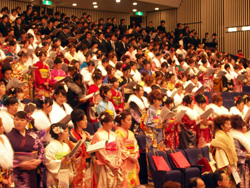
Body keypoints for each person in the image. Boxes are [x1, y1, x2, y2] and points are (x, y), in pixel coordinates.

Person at [6, 111, 44, 188]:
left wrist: (38, 160)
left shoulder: (33, 135)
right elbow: (4, 155)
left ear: (27, 122)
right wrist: (19, 164)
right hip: (16, 172)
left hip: (32, 169)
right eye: (16, 119)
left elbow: (41, 149)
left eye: (22, 120)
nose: (19, 122)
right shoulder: (7, 136)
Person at [92, 112, 124, 187]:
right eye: (110, 122)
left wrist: (119, 160)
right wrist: (109, 163)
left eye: (112, 121)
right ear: (104, 123)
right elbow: (100, 152)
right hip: (105, 163)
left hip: (115, 161)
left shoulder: (114, 134)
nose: (112, 123)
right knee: (105, 183)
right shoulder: (98, 135)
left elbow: (118, 148)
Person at [210, 115, 238, 188]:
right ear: (222, 126)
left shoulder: (228, 135)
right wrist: (228, 166)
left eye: (230, 124)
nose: (230, 126)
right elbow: (221, 153)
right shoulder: (219, 136)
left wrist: (234, 164)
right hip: (225, 166)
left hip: (230, 164)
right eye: (228, 124)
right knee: (227, 184)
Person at [45, 122, 74, 187]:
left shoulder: (66, 146)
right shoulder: (51, 146)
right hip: (55, 174)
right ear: (59, 134)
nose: (68, 133)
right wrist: (61, 161)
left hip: (65, 172)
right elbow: (48, 162)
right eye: (65, 131)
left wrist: (70, 159)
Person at [115, 112, 140, 188]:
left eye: (131, 120)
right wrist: (130, 157)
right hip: (125, 160)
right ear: (122, 121)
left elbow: (135, 145)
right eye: (128, 120)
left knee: (133, 178)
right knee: (126, 180)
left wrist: (135, 155)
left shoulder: (131, 133)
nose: (130, 122)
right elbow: (120, 148)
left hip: (133, 159)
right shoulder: (118, 133)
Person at [70, 109, 92, 188]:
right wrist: (82, 141)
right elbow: (75, 151)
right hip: (76, 165)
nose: (86, 122)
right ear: (77, 122)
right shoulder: (71, 135)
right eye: (83, 120)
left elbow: (90, 146)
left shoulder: (86, 134)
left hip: (87, 163)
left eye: (86, 119)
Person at [230, 115, 250, 188]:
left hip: (245, 163)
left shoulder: (241, 135)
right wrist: (247, 155)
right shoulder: (235, 136)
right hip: (240, 165)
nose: (245, 127)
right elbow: (236, 152)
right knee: (242, 184)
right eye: (243, 125)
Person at [0, 117, 13, 188]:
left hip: (7, 175)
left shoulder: (4, 138)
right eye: (1, 125)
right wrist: (1, 179)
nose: (3, 127)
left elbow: (9, 159)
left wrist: (9, 177)